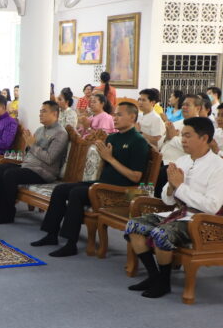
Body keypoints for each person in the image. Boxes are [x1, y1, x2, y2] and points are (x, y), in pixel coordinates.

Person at [124, 117, 223, 298]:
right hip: (180, 213)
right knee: (134, 225)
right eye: (182, 135)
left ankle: (164, 282)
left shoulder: (219, 167)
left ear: (204, 138)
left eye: (188, 136)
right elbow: (167, 200)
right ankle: (154, 276)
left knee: (161, 234)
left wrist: (180, 187)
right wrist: (172, 188)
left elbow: (212, 206)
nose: (183, 140)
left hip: (204, 221)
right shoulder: (183, 161)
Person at [31, 102, 149, 257]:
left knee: (76, 194)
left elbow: (135, 176)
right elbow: (105, 166)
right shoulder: (112, 137)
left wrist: (110, 159)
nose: (114, 118)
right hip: (102, 185)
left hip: (121, 192)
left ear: (132, 117)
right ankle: (51, 234)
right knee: (60, 190)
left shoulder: (138, 141)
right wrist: (103, 158)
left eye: (119, 115)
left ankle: (71, 243)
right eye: (114, 114)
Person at [0, 100, 68, 224]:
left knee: (10, 175)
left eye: (44, 111)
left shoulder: (60, 133)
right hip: (29, 166)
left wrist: (32, 145)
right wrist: (28, 145)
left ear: (55, 114)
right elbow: (30, 151)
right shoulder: (40, 130)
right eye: (40, 111)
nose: (40, 114)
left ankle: (7, 214)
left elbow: (50, 159)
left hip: (44, 172)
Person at [157, 94, 208, 196]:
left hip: (177, 165)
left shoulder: (201, 126)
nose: (184, 107)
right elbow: (160, 143)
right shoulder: (176, 123)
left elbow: (193, 147)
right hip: (162, 160)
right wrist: (167, 137)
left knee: (162, 173)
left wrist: (172, 138)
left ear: (198, 108)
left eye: (187, 105)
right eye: (183, 105)